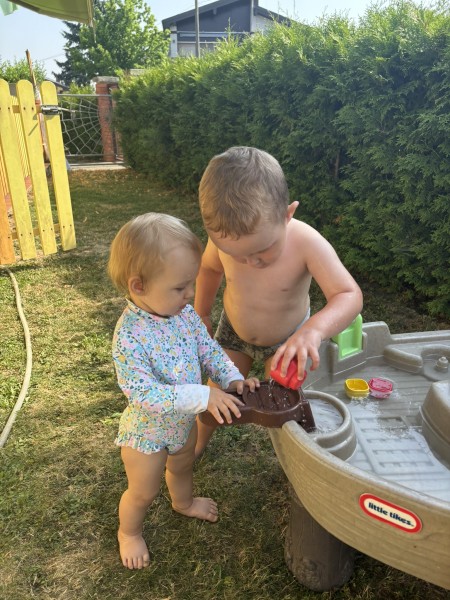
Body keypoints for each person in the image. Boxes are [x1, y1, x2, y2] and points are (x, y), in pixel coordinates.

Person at [108, 212, 259, 570]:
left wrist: (232, 378)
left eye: (190, 283)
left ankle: (184, 503)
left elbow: (209, 351)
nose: (190, 294)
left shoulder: (185, 316)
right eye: (179, 288)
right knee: (143, 491)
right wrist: (204, 396)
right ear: (138, 286)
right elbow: (143, 394)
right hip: (146, 434)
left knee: (182, 465)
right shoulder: (129, 336)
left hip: (183, 424)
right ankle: (129, 532)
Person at [194, 146, 363, 457]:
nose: (251, 262)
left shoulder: (307, 243)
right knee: (215, 396)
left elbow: (348, 295)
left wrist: (313, 331)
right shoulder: (226, 240)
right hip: (234, 332)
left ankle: (294, 460)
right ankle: (194, 447)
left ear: (287, 214)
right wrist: (202, 313)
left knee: (285, 406)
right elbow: (208, 269)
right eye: (236, 255)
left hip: (289, 341)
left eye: (263, 250)